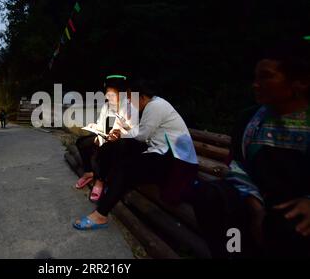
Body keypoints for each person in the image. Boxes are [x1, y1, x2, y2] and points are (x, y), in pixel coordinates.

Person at [193, 39, 310, 258]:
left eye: (266, 76)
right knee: (209, 196)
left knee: (288, 227)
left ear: (300, 82)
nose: (255, 84)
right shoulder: (250, 119)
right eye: (255, 77)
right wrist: (256, 207)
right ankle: (231, 253)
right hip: (254, 199)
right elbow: (238, 164)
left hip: (293, 209)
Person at [73, 79, 198, 230]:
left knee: (125, 167)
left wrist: (121, 135)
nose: (130, 102)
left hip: (175, 160)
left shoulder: (155, 106)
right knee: (115, 149)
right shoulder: (151, 105)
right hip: (161, 152)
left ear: (143, 97)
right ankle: (108, 187)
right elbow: (139, 133)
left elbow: (142, 135)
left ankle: (101, 215)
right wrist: (119, 135)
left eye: (132, 98)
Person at [75, 75, 138, 203]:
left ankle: (100, 181)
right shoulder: (106, 106)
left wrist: (118, 134)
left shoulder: (131, 108)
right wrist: (94, 127)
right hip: (104, 137)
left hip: (121, 142)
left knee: (106, 149)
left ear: (121, 94)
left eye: (111, 95)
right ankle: (88, 172)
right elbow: (100, 124)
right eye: (107, 94)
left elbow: (132, 130)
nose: (107, 98)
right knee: (81, 142)